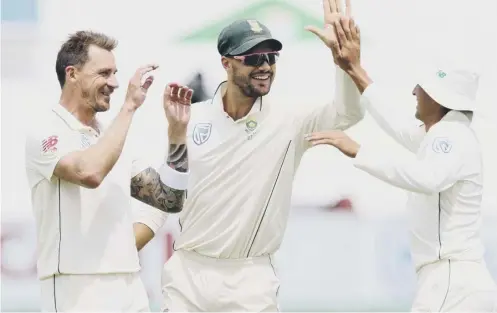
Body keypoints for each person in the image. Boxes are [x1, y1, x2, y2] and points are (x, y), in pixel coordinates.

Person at [160, 0, 364, 311]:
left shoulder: (289, 120)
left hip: (250, 277)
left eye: (271, 56)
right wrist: (175, 135)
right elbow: (170, 188)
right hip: (188, 272)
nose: (265, 66)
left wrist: (345, 63)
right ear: (227, 63)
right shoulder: (191, 118)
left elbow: (348, 114)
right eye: (253, 57)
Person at [305, 16, 497, 312]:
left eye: (421, 87)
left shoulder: (452, 136)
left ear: (438, 96)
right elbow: (398, 124)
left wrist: (357, 150)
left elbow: (427, 178)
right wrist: (354, 69)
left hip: (450, 281)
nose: (414, 92)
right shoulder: (445, 133)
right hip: (453, 280)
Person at [25, 30, 193, 312]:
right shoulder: (45, 133)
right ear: (73, 74)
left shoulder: (112, 139)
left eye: (115, 73)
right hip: (74, 289)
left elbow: (169, 199)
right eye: (104, 73)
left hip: (130, 288)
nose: (114, 83)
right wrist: (129, 106)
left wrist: (177, 134)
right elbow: (90, 173)